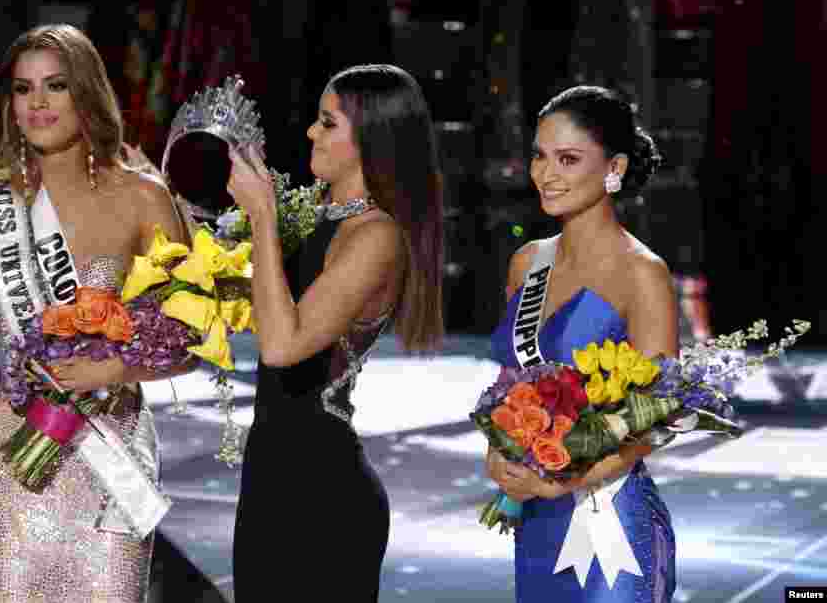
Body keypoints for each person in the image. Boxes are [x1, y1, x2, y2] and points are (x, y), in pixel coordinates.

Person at [0, 24, 189, 601]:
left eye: (55, 85)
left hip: (110, 447)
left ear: (84, 91)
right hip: (19, 448)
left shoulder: (141, 195)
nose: (37, 102)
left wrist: (110, 370)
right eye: (22, 89)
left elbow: (188, 333)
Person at [225, 63, 445, 600]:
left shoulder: (375, 237)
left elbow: (282, 347)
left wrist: (262, 219)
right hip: (273, 477)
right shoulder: (322, 216)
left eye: (327, 123)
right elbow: (260, 311)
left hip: (320, 493)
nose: (309, 133)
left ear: (371, 137)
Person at [486, 85, 676, 602]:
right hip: (537, 520)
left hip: (609, 522)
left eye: (568, 159)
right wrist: (498, 448)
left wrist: (563, 482)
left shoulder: (643, 274)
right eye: (540, 156)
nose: (547, 174)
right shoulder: (528, 262)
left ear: (613, 167)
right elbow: (510, 384)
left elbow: (659, 417)